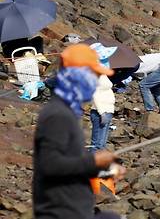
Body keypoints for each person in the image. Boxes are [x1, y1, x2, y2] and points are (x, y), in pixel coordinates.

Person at [33, 44, 122, 219]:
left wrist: (105, 170)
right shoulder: (58, 115)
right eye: (94, 76)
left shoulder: (67, 112)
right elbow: (50, 165)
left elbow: (71, 166)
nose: (96, 82)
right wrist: (94, 160)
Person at [89, 75, 114, 151]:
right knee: (97, 144)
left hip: (108, 110)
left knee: (102, 144)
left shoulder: (103, 74)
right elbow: (95, 95)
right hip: (100, 112)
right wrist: (102, 113)